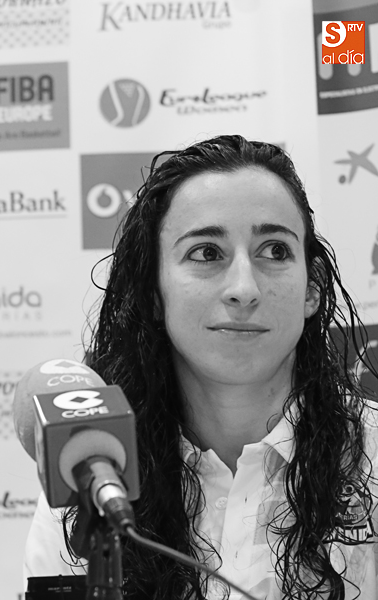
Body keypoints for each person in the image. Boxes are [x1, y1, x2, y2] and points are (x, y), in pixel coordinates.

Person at [24, 135, 378, 599]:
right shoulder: (94, 479)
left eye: (275, 251)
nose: (244, 289)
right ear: (153, 291)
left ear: (312, 288)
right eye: (207, 253)